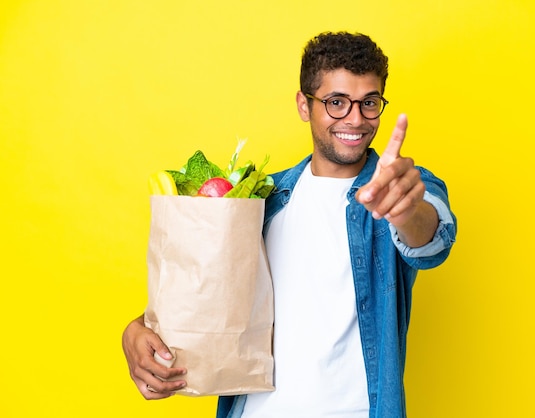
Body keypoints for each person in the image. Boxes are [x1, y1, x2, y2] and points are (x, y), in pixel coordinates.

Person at [122, 31, 457, 418]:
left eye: (369, 103)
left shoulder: (403, 186)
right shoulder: (258, 197)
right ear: (304, 104)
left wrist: (403, 210)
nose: (356, 119)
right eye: (336, 102)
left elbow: (432, 242)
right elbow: (206, 296)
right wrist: (137, 329)